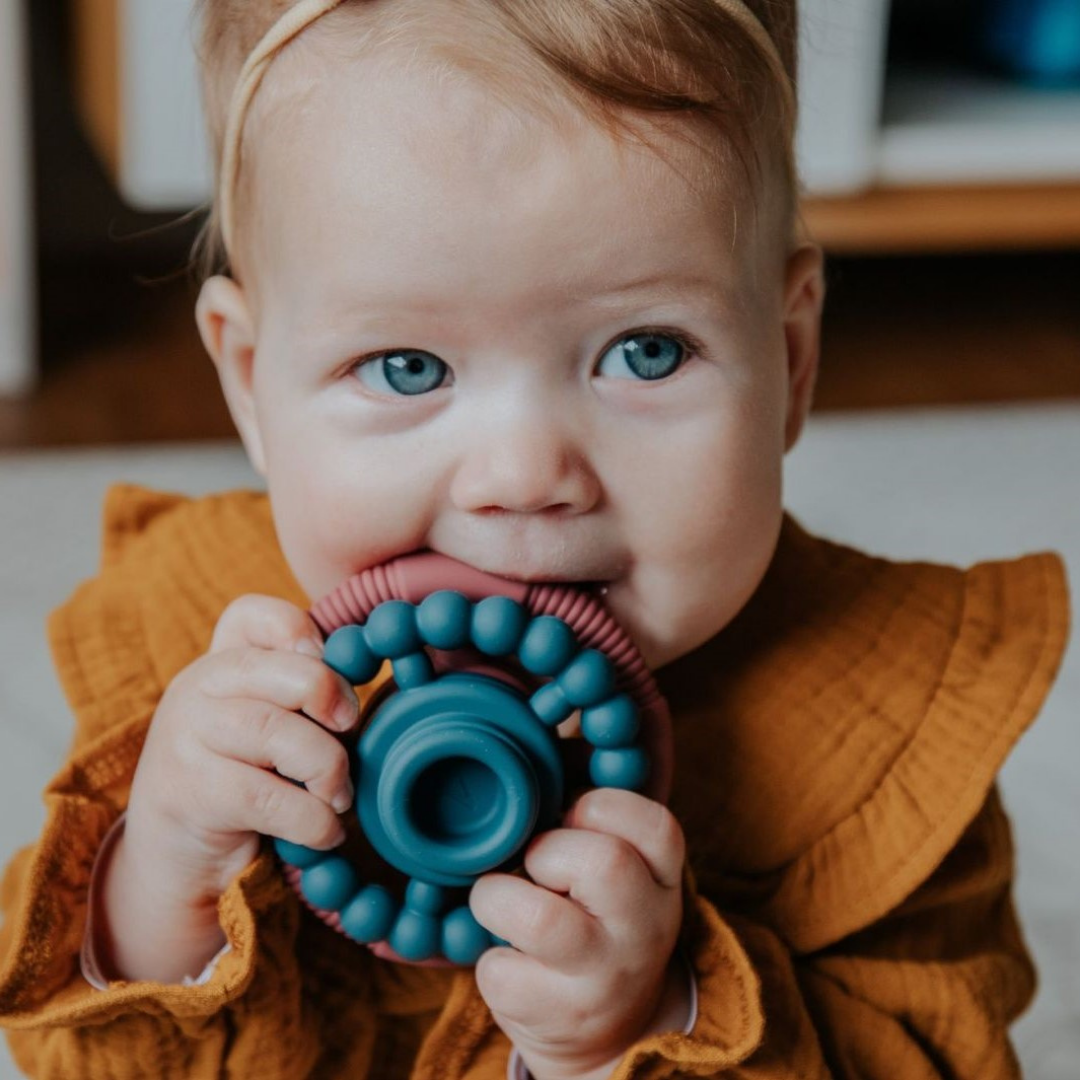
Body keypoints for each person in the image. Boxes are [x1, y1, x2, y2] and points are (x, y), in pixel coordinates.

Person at [0, 0, 1069, 1076]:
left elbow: (943, 1051)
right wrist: (157, 882)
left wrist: (642, 1026)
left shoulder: (890, 734)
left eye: (646, 352)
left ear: (790, 362)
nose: (524, 478)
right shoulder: (194, 667)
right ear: (251, 386)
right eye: (408, 367)